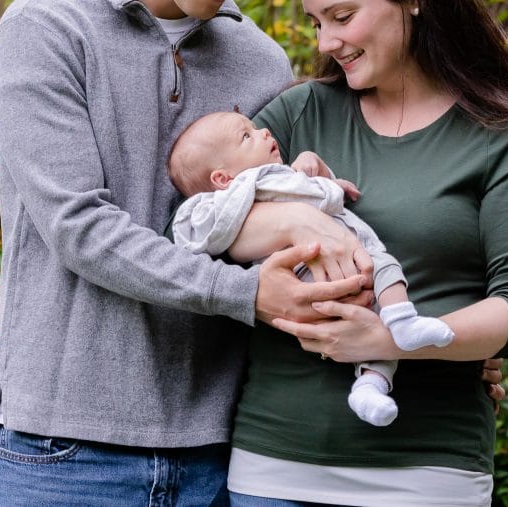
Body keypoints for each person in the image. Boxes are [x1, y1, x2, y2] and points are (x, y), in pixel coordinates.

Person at [0, 0, 380, 504]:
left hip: (223, 452)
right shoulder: (46, 30)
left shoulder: (261, 61)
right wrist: (247, 295)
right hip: (65, 450)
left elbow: (283, 225)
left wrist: (439, 344)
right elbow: (80, 227)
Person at [223, 0, 508, 506]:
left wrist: (396, 339)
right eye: (316, 22)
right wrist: (297, 220)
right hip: (274, 466)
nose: (328, 42)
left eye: (343, 16)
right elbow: (205, 231)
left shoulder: (506, 132)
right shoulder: (296, 116)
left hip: (430, 471)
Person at [168, 110, 455, 427]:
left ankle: (371, 385)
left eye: (255, 128)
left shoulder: (275, 175)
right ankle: (401, 318)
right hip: (309, 275)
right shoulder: (236, 195)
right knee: (384, 268)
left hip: (348, 268)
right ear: (222, 178)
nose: (263, 132)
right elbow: (195, 228)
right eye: (246, 136)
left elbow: (315, 190)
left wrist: (315, 167)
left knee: (376, 327)